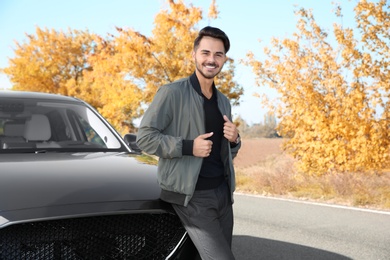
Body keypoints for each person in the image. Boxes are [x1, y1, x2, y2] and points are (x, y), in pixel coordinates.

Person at [136, 26, 241, 260]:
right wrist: (188, 147)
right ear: (194, 55)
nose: (211, 60)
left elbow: (226, 154)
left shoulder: (224, 102)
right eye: (205, 53)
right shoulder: (172, 93)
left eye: (218, 54)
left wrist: (235, 140)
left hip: (223, 195)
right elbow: (145, 138)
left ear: (224, 59)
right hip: (192, 197)